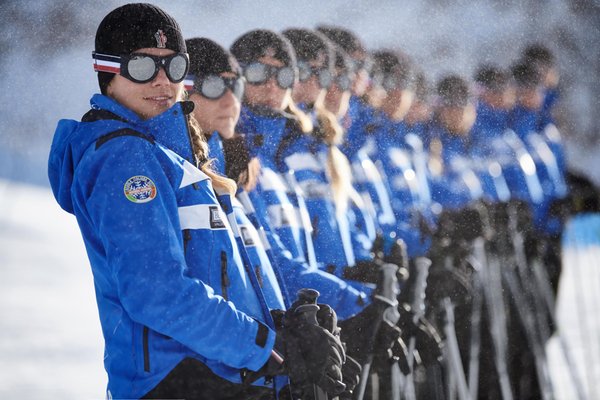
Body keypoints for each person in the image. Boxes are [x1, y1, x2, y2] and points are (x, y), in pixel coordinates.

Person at [47, 5, 346, 399]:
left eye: (173, 67)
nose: (160, 81)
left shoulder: (165, 154)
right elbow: (157, 291)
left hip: (213, 374)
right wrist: (261, 345)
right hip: (178, 382)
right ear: (108, 70)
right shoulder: (125, 157)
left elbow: (216, 275)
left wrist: (280, 328)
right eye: (141, 67)